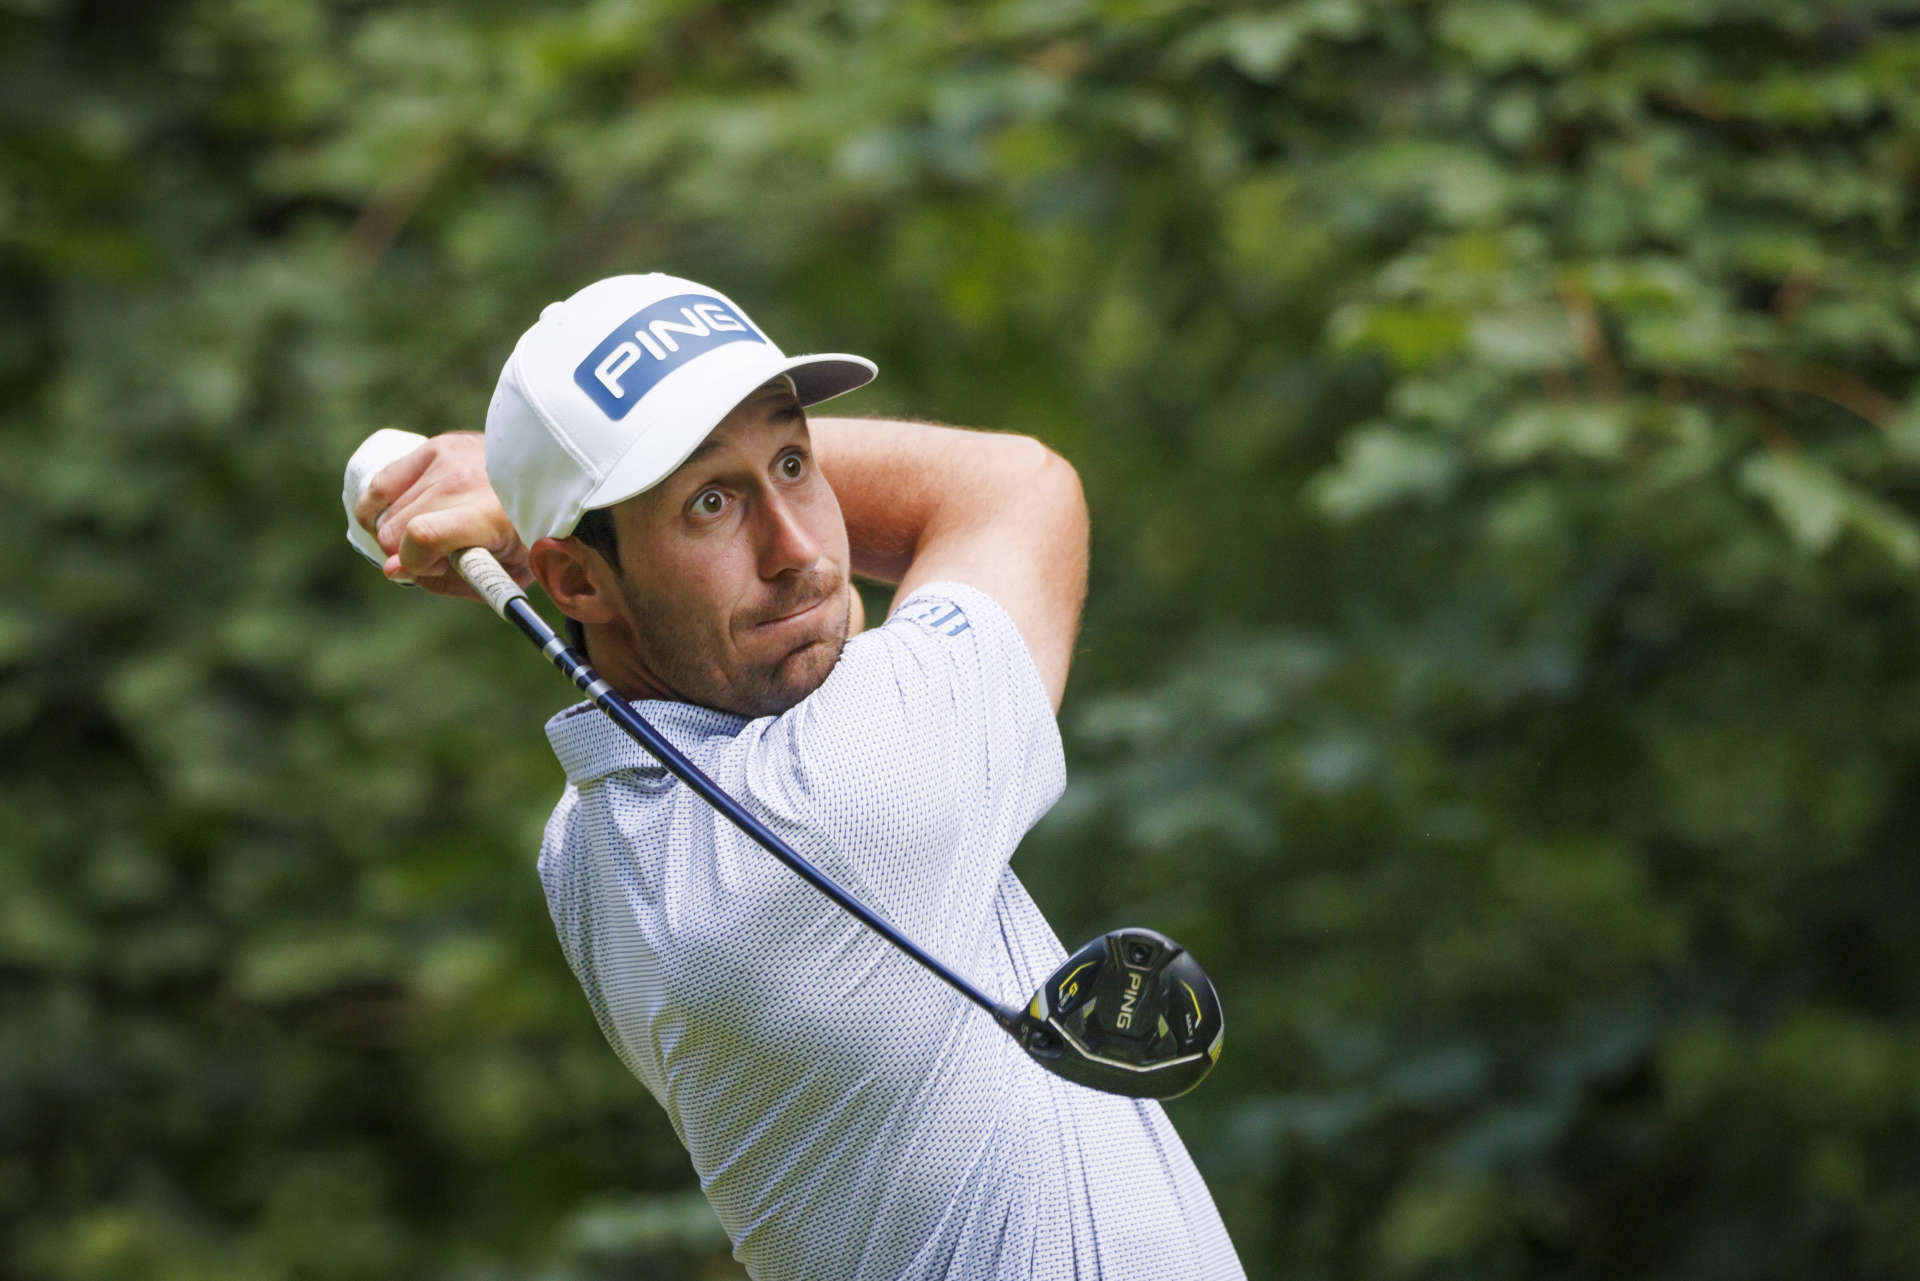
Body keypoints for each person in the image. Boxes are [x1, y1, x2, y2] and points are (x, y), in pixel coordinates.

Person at [353, 273, 1245, 1280]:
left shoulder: (589, 847)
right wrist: (511, 497)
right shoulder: (847, 798)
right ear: (573, 581)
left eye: (793, 459)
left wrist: (552, 491)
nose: (801, 551)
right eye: (710, 503)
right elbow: (1016, 486)